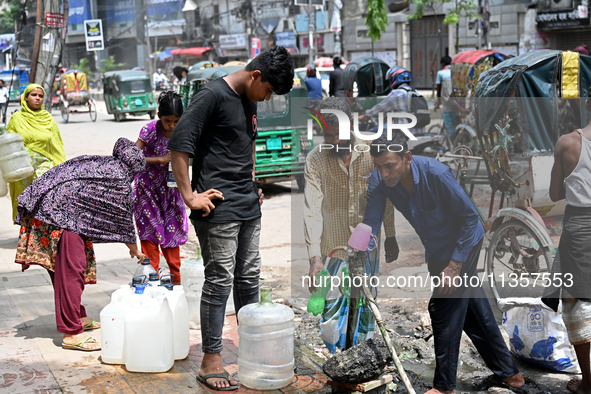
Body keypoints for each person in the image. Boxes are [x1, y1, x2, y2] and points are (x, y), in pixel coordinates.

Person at [168, 45, 294, 391]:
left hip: (247, 203)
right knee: (220, 278)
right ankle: (211, 358)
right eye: (267, 90)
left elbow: (246, 143)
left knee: (249, 276)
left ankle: (250, 347)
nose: (266, 98)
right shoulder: (212, 95)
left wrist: (253, 182)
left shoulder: (249, 98)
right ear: (256, 75)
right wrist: (189, 196)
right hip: (217, 206)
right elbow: (180, 145)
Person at [362, 132, 525, 394]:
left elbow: (471, 219)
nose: (383, 172)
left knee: (442, 308)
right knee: (473, 312)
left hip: (464, 244)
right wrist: (356, 245)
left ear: (407, 158)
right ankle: (510, 374)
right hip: (437, 248)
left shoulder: (435, 174)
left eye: (389, 165)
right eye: (377, 166)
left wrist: (454, 266)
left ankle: (444, 387)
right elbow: (371, 221)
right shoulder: (380, 180)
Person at [13, 138, 147, 351]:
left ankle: (77, 316)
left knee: (73, 268)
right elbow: (123, 217)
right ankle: (71, 333)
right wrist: (134, 248)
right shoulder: (120, 178)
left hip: (53, 209)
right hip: (61, 215)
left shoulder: (102, 162)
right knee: (72, 272)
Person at [304, 97, 397, 352]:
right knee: (332, 310)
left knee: (365, 304)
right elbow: (312, 209)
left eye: (339, 134)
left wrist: (391, 235)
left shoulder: (371, 152)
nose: (335, 141)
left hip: (368, 246)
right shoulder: (315, 160)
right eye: (328, 134)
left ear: (352, 124)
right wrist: (314, 258)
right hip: (332, 247)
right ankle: (337, 358)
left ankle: (361, 356)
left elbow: (385, 198)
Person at [549, 93, 591, 394]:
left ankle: (588, 382)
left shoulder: (568, 143)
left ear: (587, 104)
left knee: (575, 303)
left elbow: (553, 193)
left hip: (579, 228)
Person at [134, 91, 188, 285]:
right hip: (146, 192)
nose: (172, 126)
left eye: (176, 121)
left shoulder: (184, 131)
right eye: (168, 121)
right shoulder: (149, 130)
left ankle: (177, 284)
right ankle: (151, 285)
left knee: (172, 239)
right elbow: (132, 157)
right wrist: (159, 160)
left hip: (172, 193)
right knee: (149, 238)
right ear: (159, 117)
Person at [7, 84, 66, 221]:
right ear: (26, 97)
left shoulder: (48, 119)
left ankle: (45, 230)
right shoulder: (17, 118)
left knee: (44, 193)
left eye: (40, 96)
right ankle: (28, 234)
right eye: (34, 95)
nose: (37, 98)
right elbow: (8, 143)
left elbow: (56, 144)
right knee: (26, 199)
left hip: (44, 163)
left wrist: (62, 167)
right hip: (23, 167)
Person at [360, 67, 425, 134]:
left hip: (405, 132)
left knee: (373, 131)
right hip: (420, 131)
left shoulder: (396, 93)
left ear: (395, 78)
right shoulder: (415, 92)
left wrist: (365, 115)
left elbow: (380, 108)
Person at [434, 56, 461, 136]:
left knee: (450, 128)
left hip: (447, 104)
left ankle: (453, 146)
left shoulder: (440, 73)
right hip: (458, 103)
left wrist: (438, 103)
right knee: (457, 125)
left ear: (443, 64)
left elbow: (439, 91)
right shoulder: (455, 72)